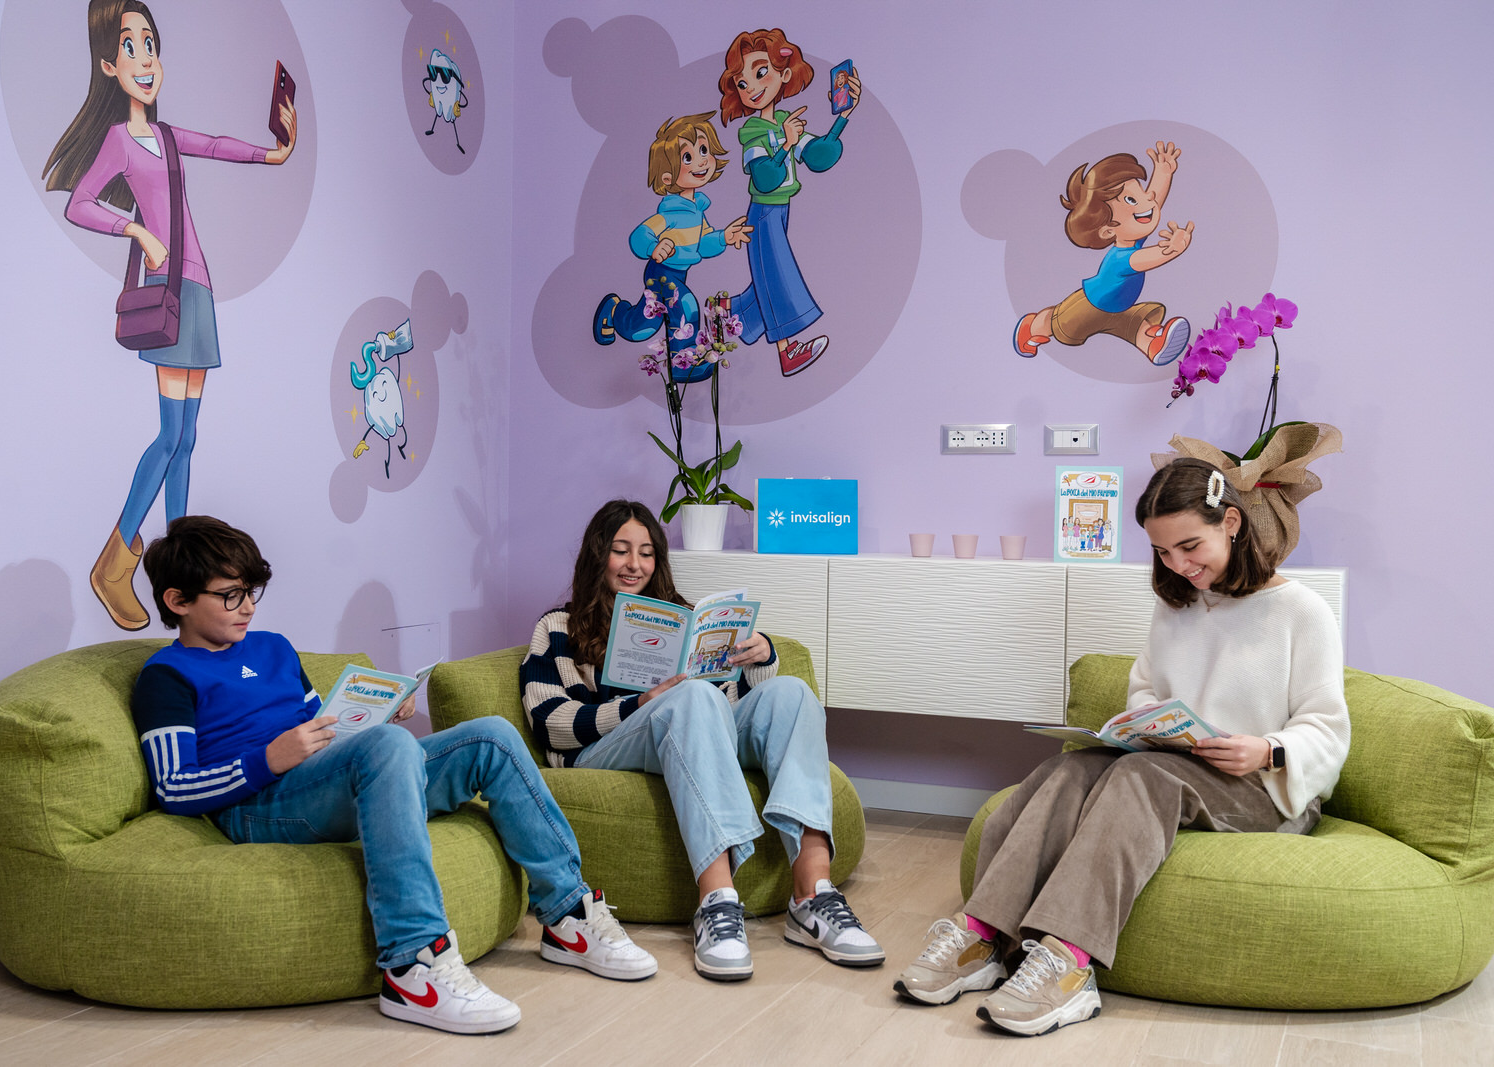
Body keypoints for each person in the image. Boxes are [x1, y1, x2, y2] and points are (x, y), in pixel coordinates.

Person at [130, 516, 655, 1036]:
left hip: (324, 782)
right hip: (259, 806)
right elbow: (174, 786)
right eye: (230, 596)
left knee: (491, 736)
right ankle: (413, 964)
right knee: (386, 748)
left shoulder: (274, 647)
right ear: (178, 601)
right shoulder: (167, 676)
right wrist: (268, 759)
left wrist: (375, 715)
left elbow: (324, 728)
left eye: (251, 592)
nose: (247, 606)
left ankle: (568, 915)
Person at [894, 458, 1349, 1036]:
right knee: (1070, 769)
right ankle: (982, 937)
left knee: (1141, 778)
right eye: (1162, 551)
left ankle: (1068, 967)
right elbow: (1147, 690)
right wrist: (1143, 725)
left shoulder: (1301, 611)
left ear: (1231, 523)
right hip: (1179, 767)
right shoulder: (1177, 605)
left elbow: (1329, 727)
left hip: (1262, 790)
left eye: (1190, 546)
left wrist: (1267, 750)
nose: (1179, 565)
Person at [520, 499, 883, 981]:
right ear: (596, 555)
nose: (634, 564)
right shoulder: (557, 626)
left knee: (791, 694)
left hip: (686, 730)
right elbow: (549, 721)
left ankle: (812, 895)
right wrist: (640, 703)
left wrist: (760, 659)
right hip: (602, 749)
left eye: (646, 553)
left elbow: (724, 706)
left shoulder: (684, 618)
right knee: (691, 697)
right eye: (620, 550)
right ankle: (717, 901)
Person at [44, 0, 297, 632]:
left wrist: (276, 152)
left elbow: (217, 145)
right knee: (169, 435)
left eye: (150, 44)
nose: (145, 58)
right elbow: (80, 203)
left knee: (188, 438)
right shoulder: (118, 141)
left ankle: (182, 563)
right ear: (109, 66)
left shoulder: (167, 138)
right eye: (129, 47)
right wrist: (136, 231)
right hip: (168, 292)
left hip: (198, 290)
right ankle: (116, 564)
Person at [717, 28, 860, 377]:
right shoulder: (751, 132)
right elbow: (764, 178)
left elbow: (817, 155)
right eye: (742, 82)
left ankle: (725, 311)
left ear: (784, 75)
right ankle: (788, 352)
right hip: (763, 213)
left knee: (768, 276)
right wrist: (785, 145)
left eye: (760, 73)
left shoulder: (785, 122)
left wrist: (843, 116)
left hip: (781, 211)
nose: (751, 87)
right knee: (779, 275)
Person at [592, 112, 751, 384]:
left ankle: (615, 311)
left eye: (703, 150)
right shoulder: (670, 212)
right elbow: (640, 235)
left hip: (678, 274)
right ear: (667, 178)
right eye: (688, 157)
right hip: (660, 273)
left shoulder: (697, 210)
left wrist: (724, 237)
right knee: (685, 305)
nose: (701, 160)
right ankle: (682, 364)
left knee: (642, 327)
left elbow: (703, 243)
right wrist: (654, 247)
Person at [1012, 144, 1193, 366]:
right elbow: (1152, 256)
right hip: (1088, 308)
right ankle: (1030, 328)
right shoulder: (1120, 260)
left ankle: (1153, 345)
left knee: (1134, 325)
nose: (1148, 199)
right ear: (1108, 231)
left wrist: (1163, 173)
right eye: (1131, 200)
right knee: (1054, 322)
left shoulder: (1133, 237)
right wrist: (1173, 249)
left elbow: (1151, 205)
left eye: (1141, 192)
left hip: (1119, 307)